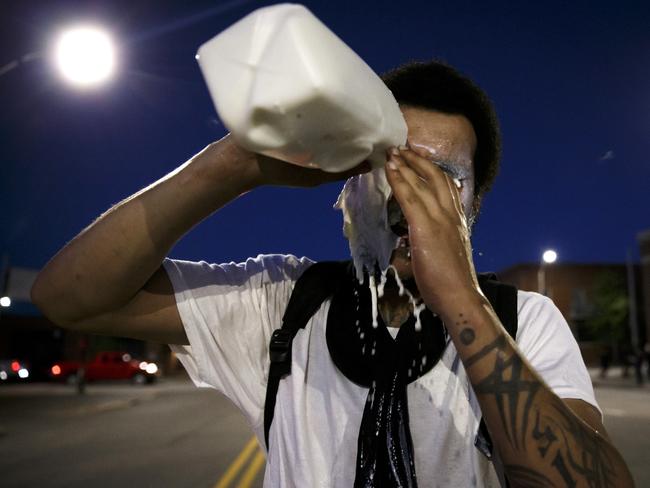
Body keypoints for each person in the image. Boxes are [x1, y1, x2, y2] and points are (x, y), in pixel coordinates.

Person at [31, 61, 633, 487]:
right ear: (347, 188)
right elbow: (68, 299)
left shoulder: (525, 322)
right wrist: (234, 165)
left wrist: (458, 294)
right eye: (390, 170)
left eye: (440, 180)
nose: (405, 200)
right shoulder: (282, 305)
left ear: (472, 209)